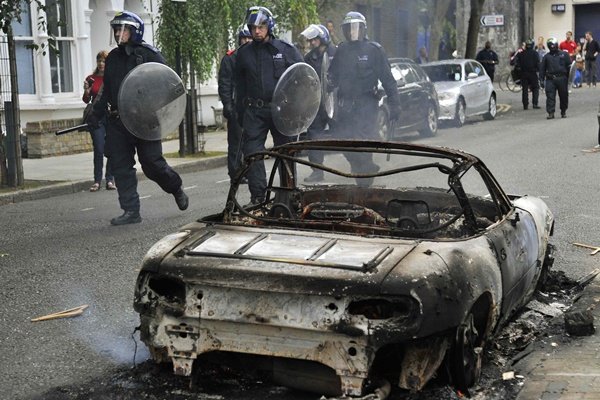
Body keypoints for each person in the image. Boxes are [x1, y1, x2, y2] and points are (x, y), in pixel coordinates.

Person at [88, 11, 188, 225]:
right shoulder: (113, 58)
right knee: (121, 166)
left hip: (146, 121)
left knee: (152, 164)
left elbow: (170, 86)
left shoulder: (149, 55)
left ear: (134, 31)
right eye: (116, 29)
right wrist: (94, 114)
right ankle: (131, 211)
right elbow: (106, 90)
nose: (118, 33)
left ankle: (175, 187)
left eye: (122, 29)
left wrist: (152, 106)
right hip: (118, 121)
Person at [234, 6, 303, 205]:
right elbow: (240, 86)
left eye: (261, 26)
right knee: (253, 153)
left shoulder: (285, 50)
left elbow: (303, 78)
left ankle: (288, 195)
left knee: (286, 152)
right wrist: (240, 113)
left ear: (269, 26)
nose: (257, 31)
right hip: (255, 111)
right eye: (253, 27)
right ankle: (258, 197)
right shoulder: (243, 54)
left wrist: (298, 110)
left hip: (282, 110)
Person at [327, 11, 400, 186]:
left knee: (362, 144)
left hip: (366, 105)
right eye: (349, 28)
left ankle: (364, 184)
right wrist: (328, 84)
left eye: (356, 28)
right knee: (343, 142)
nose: (352, 32)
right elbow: (333, 76)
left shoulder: (374, 50)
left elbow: (389, 80)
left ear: (363, 29)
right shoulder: (341, 50)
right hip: (345, 106)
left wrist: (395, 104)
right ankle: (366, 167)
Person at [300, 24, 337, 183]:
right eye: (310, 39)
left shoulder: (336, 54)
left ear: (323, 39)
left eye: (314, 39)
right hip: (316, 103)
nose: (312, 42)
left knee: (344, 133)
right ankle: (317, 171)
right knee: (313, 137)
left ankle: (358, 164)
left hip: (335, 102)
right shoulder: (309, 58)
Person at [218, 26, 252, 184]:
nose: (247, 41)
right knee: (236, 144)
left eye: (249, 38)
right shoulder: (231, 58)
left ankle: (249, 171)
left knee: (250, 143)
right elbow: (224, 85)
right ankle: (235, 174)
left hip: (252, 107)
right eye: (244, 38)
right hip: (237, 108)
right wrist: (228, 106)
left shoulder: (256, 57)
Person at [82, 50, 116, 192]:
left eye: (104, 61)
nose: (101, 64)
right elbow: (86, 100)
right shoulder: (92, 78)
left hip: (110, 117)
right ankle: (97, 180)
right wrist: (87, 90)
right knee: (99, 149)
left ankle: (110, 179)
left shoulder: (112, 77)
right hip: (96, 118)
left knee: (112, 149)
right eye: (99, 61)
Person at [540, 37, 571, 119]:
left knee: (564, 96)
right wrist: (541, 80)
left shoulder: (564, 54)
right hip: (550, 79)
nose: (552, 47)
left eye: (553, 45)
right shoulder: (546, 57)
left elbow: (570, 67)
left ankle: (563, 111)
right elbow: (542, 69)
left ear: (557, 45)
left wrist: (569, 79)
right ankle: (551, 112)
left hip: (562, 78)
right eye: (550, 46)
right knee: (550, 96)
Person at [515, 39, 540, 110]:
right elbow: (538, 63)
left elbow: (517, 64)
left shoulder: (521, 54)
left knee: (525, 90)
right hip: (532, 73)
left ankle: (525, 105)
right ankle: (535, 103)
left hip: (524, 73)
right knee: (535, 88)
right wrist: (538, 70)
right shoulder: (535, 53)